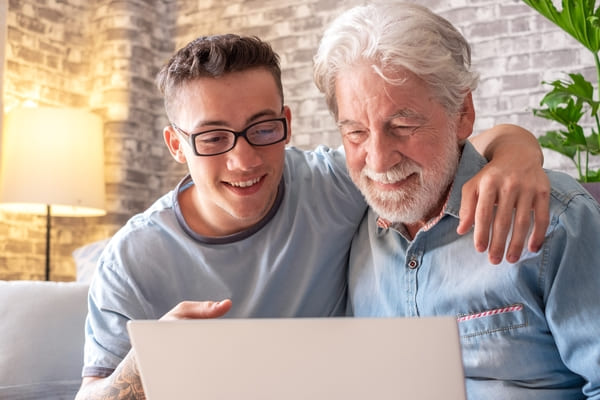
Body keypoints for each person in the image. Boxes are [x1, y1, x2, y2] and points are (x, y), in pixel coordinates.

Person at [76, 33, 550, 399]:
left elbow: (442, 152)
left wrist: (516, 155)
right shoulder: (132, 260)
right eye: (214, 138)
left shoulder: (334, 183)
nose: (244, 161)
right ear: (176, 145)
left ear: (285, 122)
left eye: (262, 129)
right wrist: (143, 366)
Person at [313, 3, 600, 398]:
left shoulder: (556, 221)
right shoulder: (344, 211)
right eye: (356, 133)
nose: (378, 160)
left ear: (463, 112)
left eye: (403, 126)